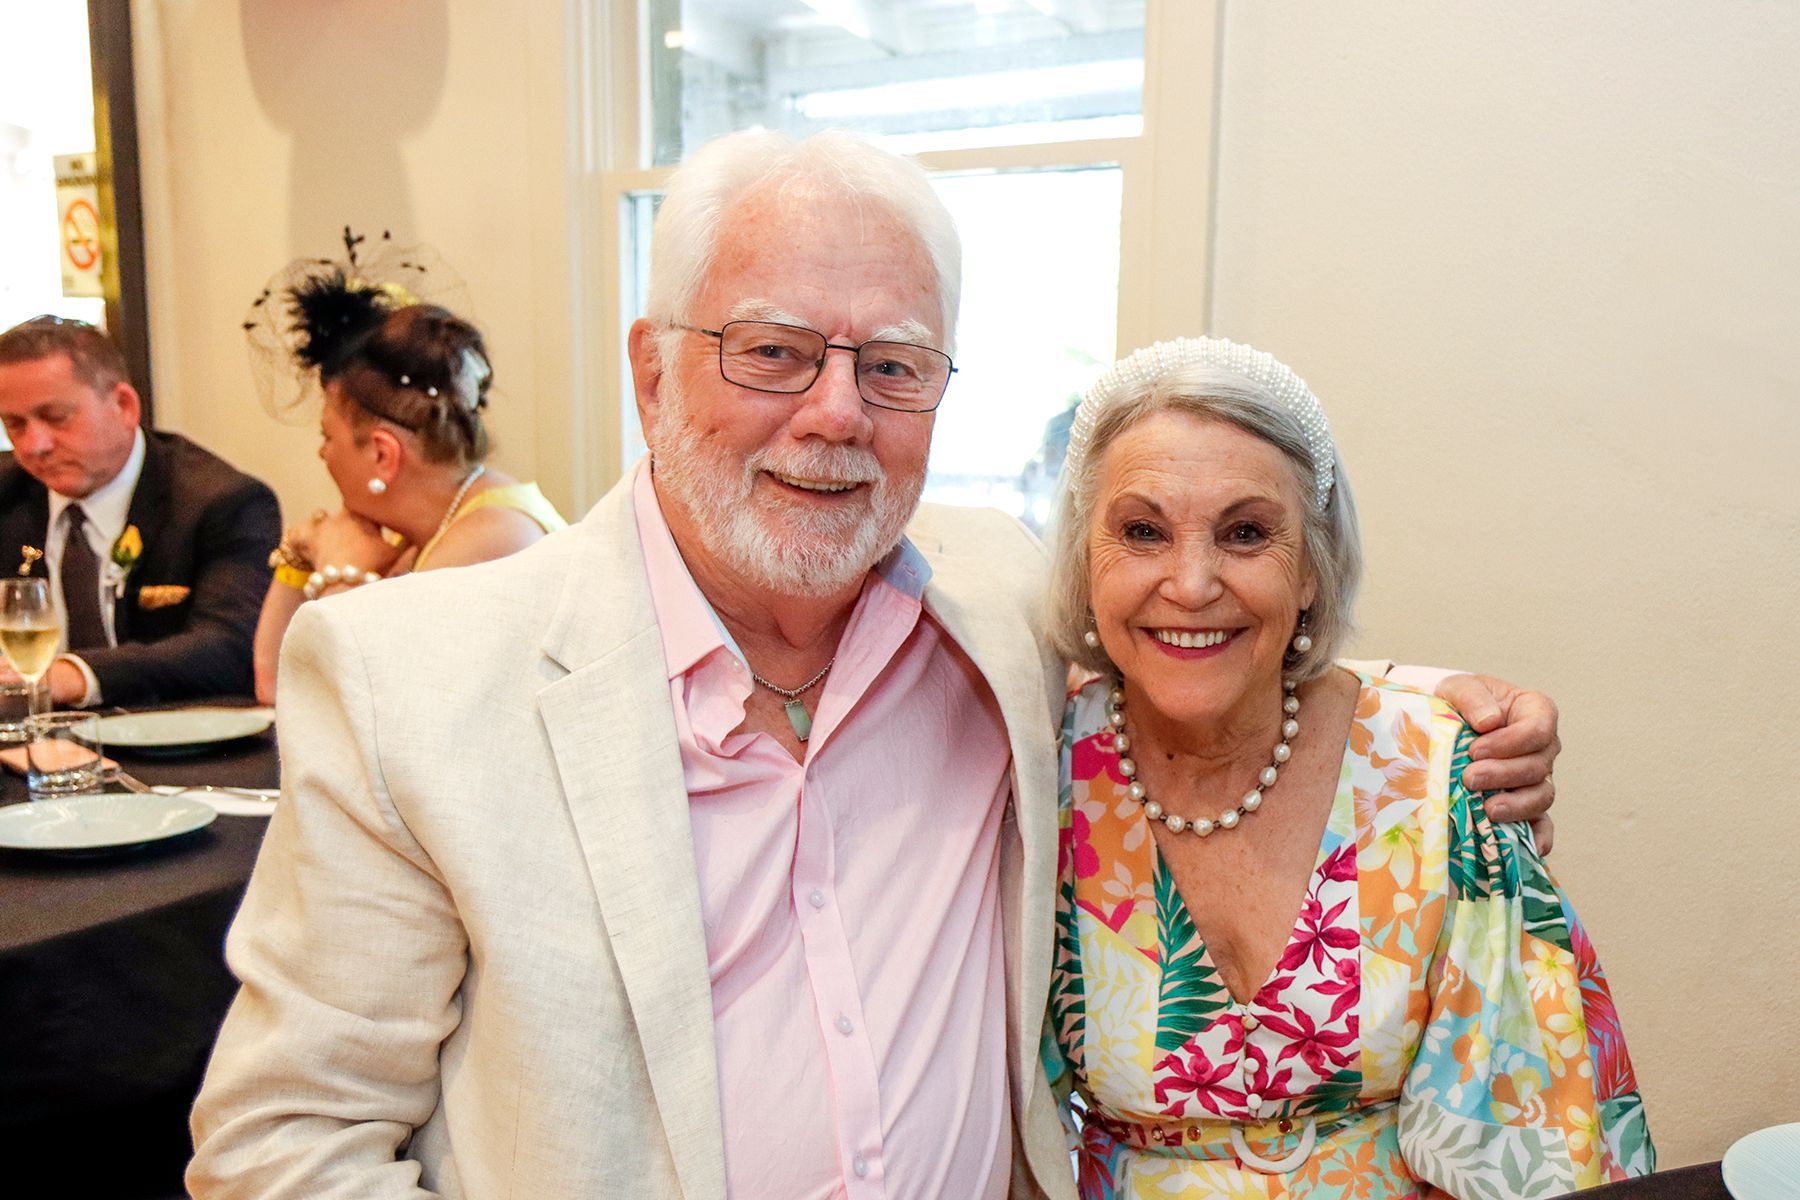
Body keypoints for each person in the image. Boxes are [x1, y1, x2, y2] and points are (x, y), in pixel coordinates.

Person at [188, 132, 1561, 1200]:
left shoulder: (996, 602)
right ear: (652, 373)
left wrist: (1429, 717)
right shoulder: (408, 682)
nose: (836, 413)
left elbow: (1194, 632)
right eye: (773, 351)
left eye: (894, 367)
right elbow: (282, 1146)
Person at [1041, 338, 1653, 1198]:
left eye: (1246, 533)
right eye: (1142, 532)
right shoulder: (1038, 784)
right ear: (1084, 562)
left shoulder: (1443, 780)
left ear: (1312, 572)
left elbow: (1533, 1133)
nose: (1190, 582)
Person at [250, 288, 566, 704]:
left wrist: (339, 570)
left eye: (328, 435)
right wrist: (298, 555)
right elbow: (273, 684)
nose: (322, 452)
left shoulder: (490, 541)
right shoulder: (420, 532)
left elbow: (344, 706)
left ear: (383, 454)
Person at [0, 316, 280, 706]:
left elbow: (229, 646)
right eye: (15, 425)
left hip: (173, 746)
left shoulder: (222, 501)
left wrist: (75, 676)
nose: (34, 446)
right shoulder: (8, 494)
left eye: (55, 417)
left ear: (124, 405)